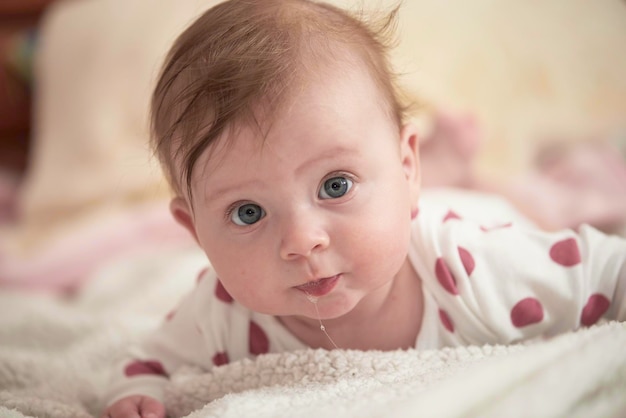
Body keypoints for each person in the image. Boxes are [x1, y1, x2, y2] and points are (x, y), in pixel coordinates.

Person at [100, 1, 626, 417]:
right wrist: (136, 393)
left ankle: (451, 171)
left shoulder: (477, 268)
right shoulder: (219, 314)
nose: (302, 241)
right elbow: (147, 363)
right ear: (194, 232)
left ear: (404, 166)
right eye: (248, 213)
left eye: (334, 184)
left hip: (470, 209)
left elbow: (608, 271)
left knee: (529, 200)